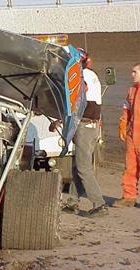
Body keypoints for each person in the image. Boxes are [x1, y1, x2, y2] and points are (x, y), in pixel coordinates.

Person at [61, 48, 108, 217]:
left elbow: (79, 96)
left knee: (83, 168)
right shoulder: (91, 74)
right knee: (78, 166)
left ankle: (99, 204)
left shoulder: (82, 76)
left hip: (85, 126)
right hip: (92, 126)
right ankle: (72, 202)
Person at [112, 63, 140, 208]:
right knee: (130, 168)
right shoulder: (132, 90)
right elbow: (126, 108)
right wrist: (123, 123)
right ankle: (129, 197)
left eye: (135, 72)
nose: (132, 74)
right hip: (132, 136)